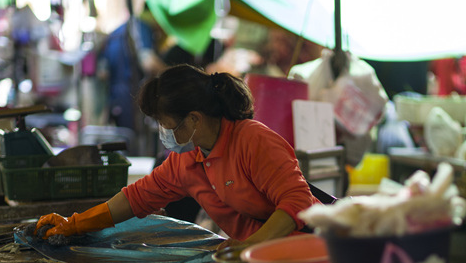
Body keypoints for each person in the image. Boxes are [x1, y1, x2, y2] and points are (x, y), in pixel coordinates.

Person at [36, 64, 322, 250]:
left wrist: (250, 245)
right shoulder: (187, 160)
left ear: (195, 119)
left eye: (169, 126)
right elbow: (136, 198)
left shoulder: (252, 140)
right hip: (255, 260)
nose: (166, 134)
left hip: (308, 254)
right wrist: (74, 223)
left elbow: (297, 202)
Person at [96, 15, 163, 131]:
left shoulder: (116, 33)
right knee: (135, 142)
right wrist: (175, 75)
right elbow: (149, 63)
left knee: (125, 139)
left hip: (115, 97)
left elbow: (103, 73)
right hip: (131, 96)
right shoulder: (141, 26)